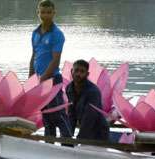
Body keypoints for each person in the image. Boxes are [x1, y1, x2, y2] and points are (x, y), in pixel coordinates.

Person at [29, 0, 71, 138]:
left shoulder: (57, 34)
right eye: (42, 12)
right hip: (39, 80)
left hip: (52, 79)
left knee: (58, 114)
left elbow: (56, 59)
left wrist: (44, 78)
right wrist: (31, 78)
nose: (45, 15)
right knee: (46, 116)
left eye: (48, 12)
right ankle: (50, 144)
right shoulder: (35, 33)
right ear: (38, 13)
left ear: (54, 13)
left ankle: (68, 144)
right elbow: (34, 56)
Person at [65, 59, 110, 141]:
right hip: (85, 130)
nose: (78, 74)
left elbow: (90, 117)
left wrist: (79, 138)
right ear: (72, 71)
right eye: (76, 70)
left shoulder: (93, 91)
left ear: (87, 74)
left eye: (82, 72)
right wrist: (68, 136)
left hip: (98, 132)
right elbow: (71, 114)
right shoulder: (69, 88)